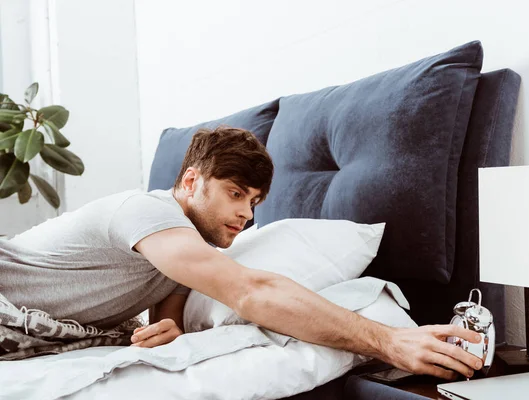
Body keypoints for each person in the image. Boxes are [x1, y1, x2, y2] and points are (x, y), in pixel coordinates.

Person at [0, 126, 483, 380]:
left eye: (254, 203)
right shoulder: (147, 212)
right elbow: (251, 291)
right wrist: (390, 341)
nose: (247, 215)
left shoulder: (183, 250)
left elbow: (169, 326)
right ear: (191, 181)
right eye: (235, 193)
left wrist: (161, 329)